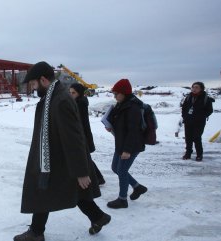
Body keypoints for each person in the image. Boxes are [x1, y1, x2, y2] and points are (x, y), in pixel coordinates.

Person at [14, 62, 110, 241]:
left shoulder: (60, 101)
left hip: (57, 160)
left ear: (43, 80)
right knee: (71, 192)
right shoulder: (53, 98)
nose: (34, 89)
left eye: (34, 84)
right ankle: (98, 217)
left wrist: (82, 171)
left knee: (44, 191)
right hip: (56, 158)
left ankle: (36, 232)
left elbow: (75, 138)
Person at [105, 79, 148, 209]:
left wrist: (127, 150)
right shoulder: (121, 104)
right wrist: (110, 125)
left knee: (122, 171)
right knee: (115, 168)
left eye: (116, 93)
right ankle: (137, 187)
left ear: (124, 93)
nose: (114, 96)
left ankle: (122, 199)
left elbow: (133, 131)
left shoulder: (133, 108)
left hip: (131, 145)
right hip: (121, 143)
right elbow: (117, 121)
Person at [69, 83, 106, 185]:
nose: (71, 95)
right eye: (70, 92)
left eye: (73, 93)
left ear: (79, 93)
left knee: (85, 158)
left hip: (82, 135)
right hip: (82, 134)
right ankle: (98, 178)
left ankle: (98, 178)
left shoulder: (79, 104)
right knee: (85, 158)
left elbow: (79, 122)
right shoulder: (78, 102)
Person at [181, 82, 214, 161]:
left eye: (196, 87)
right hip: (188, 121)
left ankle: (199, 154)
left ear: (201, 89)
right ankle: (188, 153)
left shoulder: (206, 98)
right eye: (193, 87)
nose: (194, 89)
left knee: (197, 138)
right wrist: (185, 116)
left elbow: (209, 110)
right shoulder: (188, 97)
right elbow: (184, 108)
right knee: (188, 138)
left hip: (199, 122)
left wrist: (201, 116)